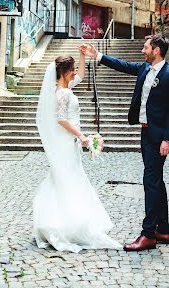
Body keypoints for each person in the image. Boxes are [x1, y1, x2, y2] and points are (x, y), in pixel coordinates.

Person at [81, 34, 169, 252]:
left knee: (150, 181)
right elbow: (123, 65)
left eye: (146, 47)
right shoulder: (145, 69)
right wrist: (97, 55)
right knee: (156, 181)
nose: (143, 51)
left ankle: (148, 235)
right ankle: (163, 230)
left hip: (158, 137)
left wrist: (168, 139)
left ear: (156, 50)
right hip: (145, 133)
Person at [33, 49, 120, 253]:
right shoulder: (61, 94)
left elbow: (80, 76)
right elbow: (61, 120)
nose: (74, 73)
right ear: (63, 73)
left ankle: (60, 220)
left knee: (63, 178)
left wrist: (82, 55)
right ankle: (67, 223)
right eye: (71, 70)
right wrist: (81, 136)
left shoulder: (65, 86)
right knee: (68, 178)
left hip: (69, 142)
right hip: (66, 141)